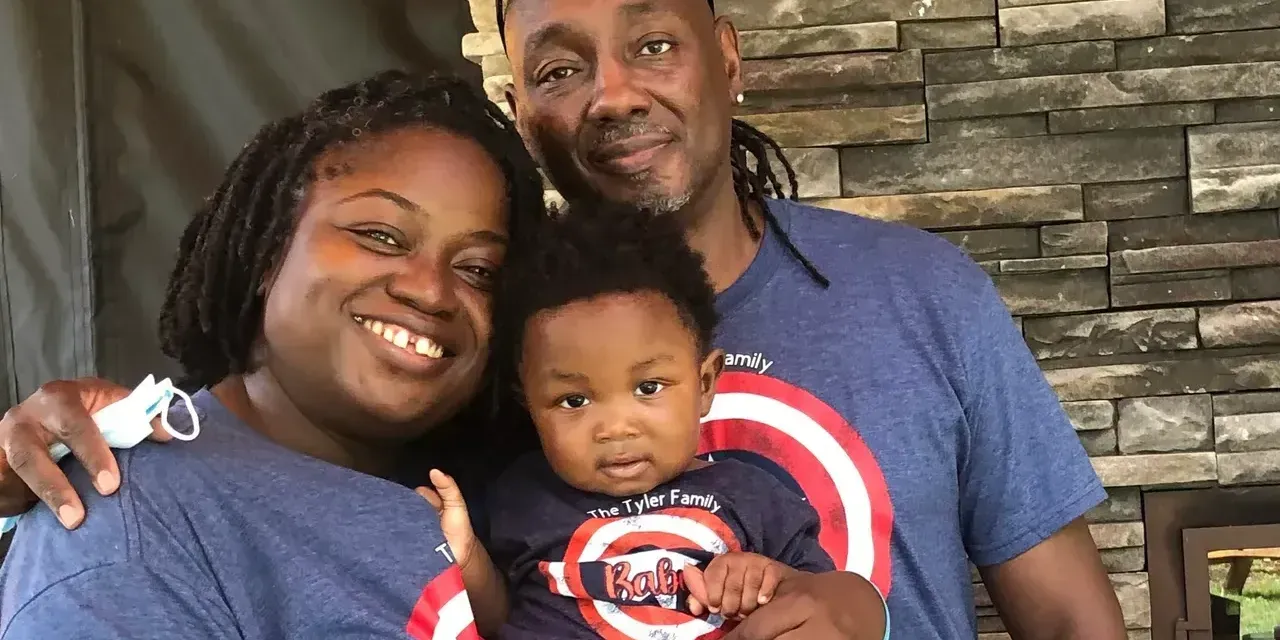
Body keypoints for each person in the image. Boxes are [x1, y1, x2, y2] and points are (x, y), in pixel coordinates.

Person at [0, 0, 1125, 637]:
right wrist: (78, 456)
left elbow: (1072, 624)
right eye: (558, 66)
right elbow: (278, 462)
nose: (611, 94)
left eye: (650, 43)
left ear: (724, 55)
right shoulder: (478, 362)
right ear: (523, 112)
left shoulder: (921, 292)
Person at [0, 70, 551, 639]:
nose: (431, 290)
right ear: (268, 251)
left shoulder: (515, 487)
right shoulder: (130, 527)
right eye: (380, 235)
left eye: (478, 270)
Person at [422, 200, 837, 639]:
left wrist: (765, 578)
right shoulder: (519, 497)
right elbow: (499, 619)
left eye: (649, 388)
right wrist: (467, 556)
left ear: (705, 384)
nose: (616, 428)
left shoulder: (756, 498)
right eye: (574, 400)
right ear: (528, 403)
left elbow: (821, 606)